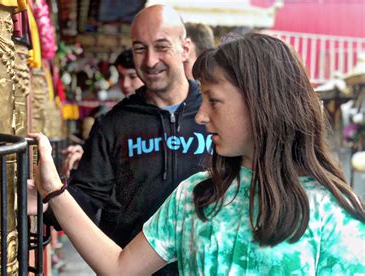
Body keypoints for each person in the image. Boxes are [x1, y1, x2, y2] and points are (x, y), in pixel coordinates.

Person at [29, 32, 365, 275]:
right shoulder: (195, 196)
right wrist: (55, 191)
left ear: (261, 104)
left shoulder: (330, 213)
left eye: (213, 101)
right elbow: (119, 269)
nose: (201, 115)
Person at [40, 5, 211, 275]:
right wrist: (48, 201)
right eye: (140, 49)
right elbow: (87, 197)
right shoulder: (113, 124)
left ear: (185, 48)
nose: (150, 60)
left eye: (162, 46)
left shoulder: (215, 111)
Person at [60, 50, 144, 178]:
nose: (125, 84)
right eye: (121, 77)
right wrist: (86, 153)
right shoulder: (116, 117)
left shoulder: (161, 115)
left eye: (132, 76)